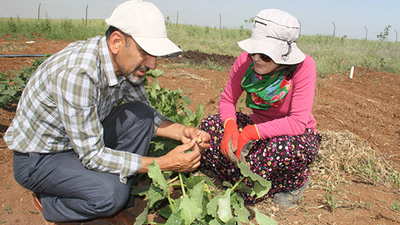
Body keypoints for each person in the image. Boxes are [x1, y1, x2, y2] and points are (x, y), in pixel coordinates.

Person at [4, 0, 210, 223]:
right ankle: (53, 202)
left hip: (77, 143)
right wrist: (163, 163)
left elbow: (148, 115)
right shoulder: (78, 74)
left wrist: (181, 131)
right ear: (116, 42)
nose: (152, 64)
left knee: (141, 115)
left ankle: (114, 199)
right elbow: (93, 155)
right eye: (145, 52)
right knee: (108, 195)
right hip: (41, 157)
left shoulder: (124, 65)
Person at [198, 9, 321, 207]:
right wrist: (230, 126)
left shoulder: (304, 66)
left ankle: (295, 181)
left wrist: (251, 133)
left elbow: (297, 122)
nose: (256, 58)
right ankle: (263, 177)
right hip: (257, 125)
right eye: (253, 51)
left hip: (294, 135)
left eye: (265, 56)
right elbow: (227, 101)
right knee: (209, 127)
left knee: (280, 151)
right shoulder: (244, 61)